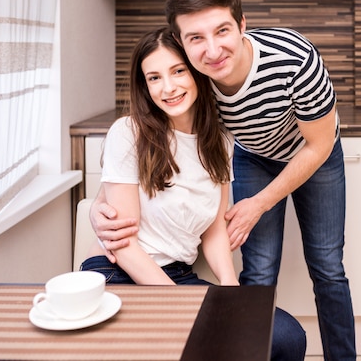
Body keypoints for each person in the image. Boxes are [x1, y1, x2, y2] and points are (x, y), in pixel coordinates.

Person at [91, 0, 355, 360]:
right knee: (260, 267)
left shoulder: (293, 60)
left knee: (328, 267)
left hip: (313, 150)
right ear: (182, 43)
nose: (212, 51)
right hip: (249, 152)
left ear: (242, 25)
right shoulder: (192, 82)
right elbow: (136, 153)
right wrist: (98, 206)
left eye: (222, 31)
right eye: (196, 39)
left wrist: (260, 203)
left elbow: (318, 144)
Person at [81, 26, 306, 361]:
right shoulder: (129, 133)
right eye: (154, 78)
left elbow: (214, 233)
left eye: (177, 71)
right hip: (119, 275)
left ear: (197, 73)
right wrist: (178, 305)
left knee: (286, 337)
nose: (168, 87)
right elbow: (124, 244)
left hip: (178, 275)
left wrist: (232, 291)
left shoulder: (220, 141)